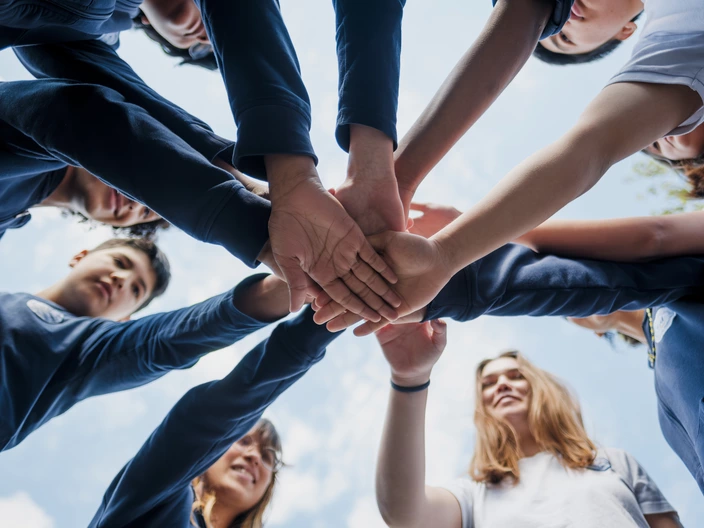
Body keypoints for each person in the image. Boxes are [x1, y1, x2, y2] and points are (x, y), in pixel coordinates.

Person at [364, 0, 704, 330]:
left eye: (559, 30)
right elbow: (587, 151)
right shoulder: (675, 44)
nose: (562, 17)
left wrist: (401, 187)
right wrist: (449, 249)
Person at [0, 236, 299, 452]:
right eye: (121, 263)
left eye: (136, 289)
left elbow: (171, 338)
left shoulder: (87, 349)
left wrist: (295, 282)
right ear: (80, 255)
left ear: (125, 318)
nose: (122, 279)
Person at [374, 330, 682, 528]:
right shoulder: (473, 495)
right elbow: (404, 513)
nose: (503, 384)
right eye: (488, 384)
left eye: (514, 376)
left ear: (540, 387)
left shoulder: (613, 461)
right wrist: (409, 377)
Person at [88, 307, 340, 527]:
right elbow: (203, 419)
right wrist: (322, 322)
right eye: (243, 441)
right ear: (212, 449)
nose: (253, 457)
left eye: (267, 457)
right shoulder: (159, 500)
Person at [567, 304, 704, 495]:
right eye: (566, 309)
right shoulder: (665, 413)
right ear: (596, 332)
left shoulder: (675, 297)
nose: (578, 297)